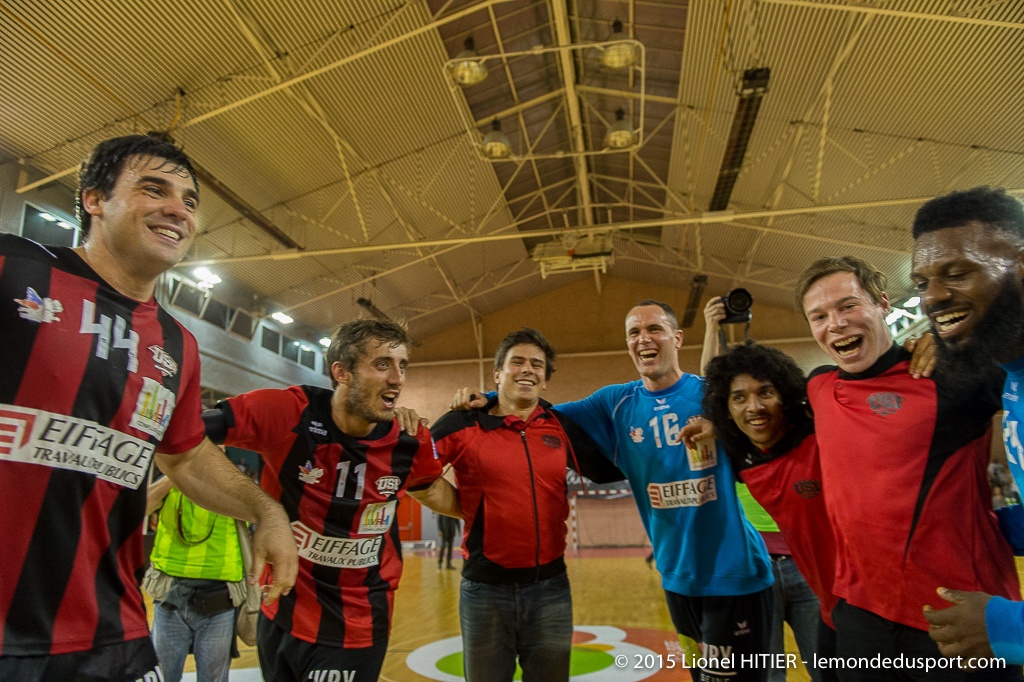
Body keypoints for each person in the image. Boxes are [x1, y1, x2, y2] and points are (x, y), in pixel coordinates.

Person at [0, 135, 297, 682]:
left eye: (189, 200)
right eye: (154, 189)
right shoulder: (14, 269)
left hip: (114, 634)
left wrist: (267, 512)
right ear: (94, 199)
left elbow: (185, 457)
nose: (178, 210)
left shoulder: (177, 345)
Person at [459, 303, 775, 681]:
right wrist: (492, 396)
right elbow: (541, 414)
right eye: (634, 332)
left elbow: (767, 419)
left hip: (735, 573)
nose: (643, 339)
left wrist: (722, 425)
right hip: (677, 579)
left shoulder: (713, 396)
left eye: (654, 329)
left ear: (676, 338)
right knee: (702, 676)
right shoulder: (616, 402)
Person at [797, 255, 1020, 681]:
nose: (836, 324)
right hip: (860, 615)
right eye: (819, 316)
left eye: (848, 306)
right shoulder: (819, 386)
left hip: (955, 617)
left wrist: (964, 341)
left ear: (883, 303)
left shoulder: (948, 375)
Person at [203, 318, 462, 682]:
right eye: (382, 364)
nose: (397, 379)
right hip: (280, 610)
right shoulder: (288, 413)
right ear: (341, 372)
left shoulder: (410, 440)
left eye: (402, 366)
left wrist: (493, 515)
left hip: (357, 623)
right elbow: (188, 433)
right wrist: (260, 506)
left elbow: (432, 489)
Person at [433, 327, 623, 682]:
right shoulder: (463, 422)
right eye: (517, 362)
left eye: (537, 365)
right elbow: (417, 474)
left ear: (546, 380)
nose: (527, 370)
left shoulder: (560, 426)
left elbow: (607, 469)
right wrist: (468, 506)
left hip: (551, 589)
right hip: (485, 593)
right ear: (497, 373)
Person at [910, 186, 1024, 665]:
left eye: (957, 273)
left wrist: (1006, 627)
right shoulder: (1012, 379)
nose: (933, 298)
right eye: (921, 283)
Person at [698, 341, 838, 682]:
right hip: (759, 573)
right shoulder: (738, 452)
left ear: (785, 395)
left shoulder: (821, 432)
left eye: (765, 392)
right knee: (767, 674)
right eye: (739, 398)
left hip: (832, 586)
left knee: (830, 671)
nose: (754, 406)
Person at [144, 474, 245, 682]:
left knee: (213, 679)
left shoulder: (231, 481)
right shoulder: (171, 479)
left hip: (221, 597)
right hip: (170, 593)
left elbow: (259, 514)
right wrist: (175, 474)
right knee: (163, 675)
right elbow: (141, 508)